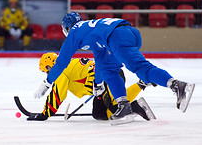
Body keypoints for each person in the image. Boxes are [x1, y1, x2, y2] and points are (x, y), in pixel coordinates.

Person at [34, 13, 195, 124]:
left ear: (67, 28)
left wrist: (47, 83)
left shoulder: (74, 33)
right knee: (108, 70)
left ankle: (177, 85)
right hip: (126, 32)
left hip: (117, 37)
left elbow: (61, 63)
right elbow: (100, 60)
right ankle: (123, 105)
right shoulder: (88, 29)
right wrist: (97, 84)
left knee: (140, 68)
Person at [27, 52, 156, 121]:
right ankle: (134, 95)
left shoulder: (61, 70)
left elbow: (57, 94)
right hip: (102, 82)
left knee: (116, 109)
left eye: (46, 71)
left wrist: (45, 114)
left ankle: (138, 99)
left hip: (108, 78)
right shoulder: (66, 64)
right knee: (99, 114)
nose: (48, 74)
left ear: (50, 66)